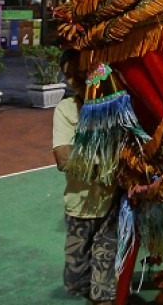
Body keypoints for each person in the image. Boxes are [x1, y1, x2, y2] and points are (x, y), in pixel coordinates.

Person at [52, 49, 118, 305]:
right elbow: (63, 158)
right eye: (67, 76)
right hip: (78, 208)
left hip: (112, 208)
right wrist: (111, 161)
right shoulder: (65, 109)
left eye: (78, 73)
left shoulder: (115, 107)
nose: (72, 81)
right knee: (75, 281)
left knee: (102, 288)